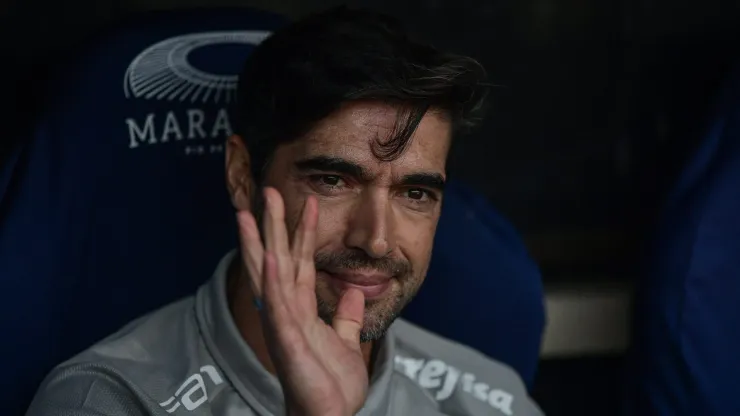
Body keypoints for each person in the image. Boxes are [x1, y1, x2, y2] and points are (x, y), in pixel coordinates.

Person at [26, 7, 542, 416]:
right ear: (242, 175)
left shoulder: (487, 400)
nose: (377, 239)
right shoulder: (107, 401)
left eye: (415, 193)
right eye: (333, 180)